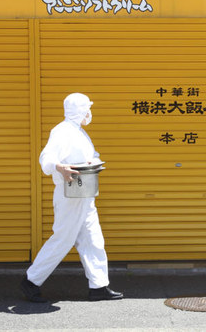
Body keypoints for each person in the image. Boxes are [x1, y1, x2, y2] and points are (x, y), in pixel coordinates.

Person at [20, 93, 123, 302]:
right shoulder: (62, 131)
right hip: (71, 194)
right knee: (63, 239)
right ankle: (31, 281)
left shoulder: (77, 131)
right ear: (81, 110)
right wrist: (59, 167)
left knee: (93, 239)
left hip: (83, 192)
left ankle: (99, 286)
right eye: (87, 109)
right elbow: (46, 157)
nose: (89, 113)